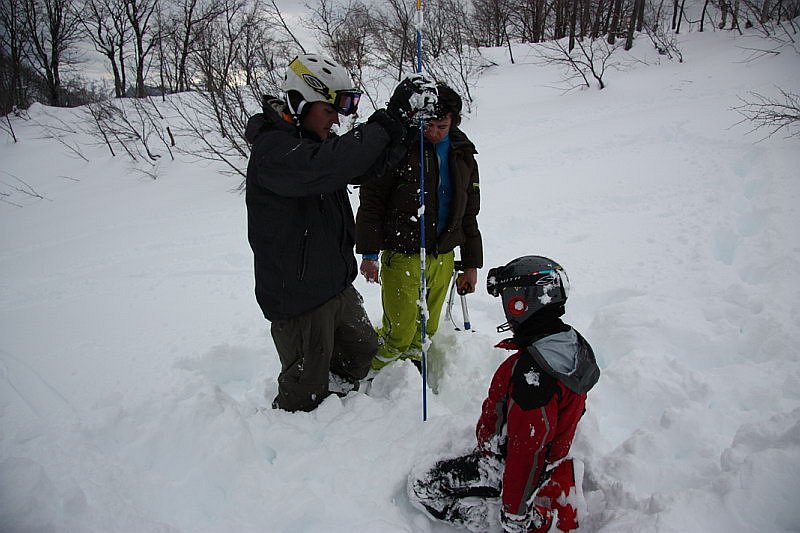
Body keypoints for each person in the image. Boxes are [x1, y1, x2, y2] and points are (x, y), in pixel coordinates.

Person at [244, 54, 435, 412]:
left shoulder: (311, 142)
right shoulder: (274, 150)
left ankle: (345, 412)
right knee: (306, 395)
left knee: (362, 356)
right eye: (329, 111)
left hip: (335, 286)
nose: (335, 121)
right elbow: (329, 165)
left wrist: (402, 130)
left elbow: (359, 168)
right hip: (299, 299)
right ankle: (295, 449)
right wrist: (385, 120)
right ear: (301, 102)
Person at [407, 255, 601, 533]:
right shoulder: (568, 343)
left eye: (509, 298)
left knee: (424, 484)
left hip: (504, 464)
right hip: (546, 454)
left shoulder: (532, 376)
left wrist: (516, 516)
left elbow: (527, 452)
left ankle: (499, 519)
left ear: (525, 302)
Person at [355, 82, 482, 371]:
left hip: (444, 256)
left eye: (442, 126)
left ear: (453, 122)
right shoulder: (399, 149)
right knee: (398, 334)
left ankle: (409, 375)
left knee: (427, 330)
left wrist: (471, 263)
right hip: (403, 254)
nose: (434, 133)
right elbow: (372, 202)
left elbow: (469, 213)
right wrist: (369, 254)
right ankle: (367, 373)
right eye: (428, 125)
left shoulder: (463, 154)